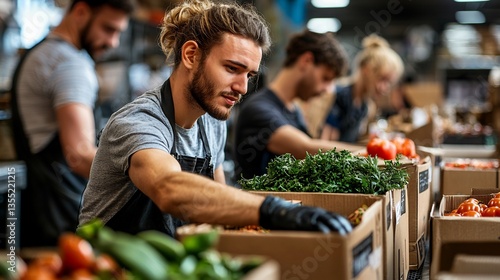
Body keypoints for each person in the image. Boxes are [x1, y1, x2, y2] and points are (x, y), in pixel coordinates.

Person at [78, 0, 352, 237]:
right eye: (232, 68)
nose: (243, 88)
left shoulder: (212, 123)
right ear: (191, 55)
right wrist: (272, 210)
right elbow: (169, 188)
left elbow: (217, 207)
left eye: (249, 75)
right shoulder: (138, 122)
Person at [10, 0, 135, 247]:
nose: (113, 42)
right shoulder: (69, 64)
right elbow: (79, 155)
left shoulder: (42, 53)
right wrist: (144, 177)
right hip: (58, 216)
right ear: (80, 12)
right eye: (108, 29)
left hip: (39, 209)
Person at [234, 29, 362, 180]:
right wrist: (372, 153)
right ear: (306, 61)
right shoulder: (258, 108)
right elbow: (305, 148)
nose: (328, 90)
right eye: (325, 78)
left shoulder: (294, 110)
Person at [320, 34, 404, 143]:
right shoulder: (340, 96)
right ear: (366, 69)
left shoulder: (365, 106)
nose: (385, 88)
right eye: (382, 79)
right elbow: (326, 141)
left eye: (389, 83)